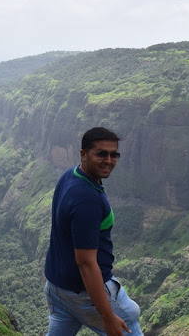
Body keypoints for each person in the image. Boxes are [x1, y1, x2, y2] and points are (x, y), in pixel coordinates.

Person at [44, 127, 142, 335]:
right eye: (101, 153)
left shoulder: (70, 175)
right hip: (84, 295)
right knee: (128, 322)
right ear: (83, 154)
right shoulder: (88, 200)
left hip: (58, 288)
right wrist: (107, 317)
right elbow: (86, 262)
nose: (109, 160)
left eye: (113, 154)